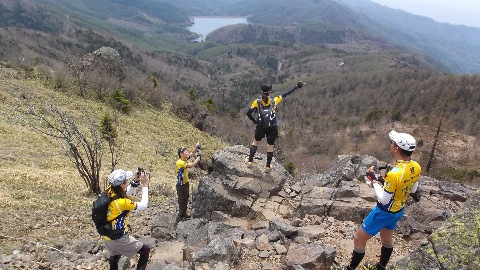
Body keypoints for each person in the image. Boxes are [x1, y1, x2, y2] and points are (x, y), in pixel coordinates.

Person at [346, 130, 421, 270]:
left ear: (396, 148)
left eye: (392, 143)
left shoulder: (395, 173)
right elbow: (412, 189)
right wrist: (381, 180)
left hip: (384, 211)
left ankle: (350, 268)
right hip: (398, 210)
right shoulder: (415, 167)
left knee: (358, 239)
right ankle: (381, 266)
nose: (390, 145)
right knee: (386, 239)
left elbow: (384, 200)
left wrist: (374, 181)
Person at [245, 81, 305, 172]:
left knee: (255, 143)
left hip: (261, 126)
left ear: (261, 92)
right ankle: (268, 166)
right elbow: (286, 93)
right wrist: (296, 87)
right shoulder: (274, 101)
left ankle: (250, 161)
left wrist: (255, 121)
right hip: (272, 127)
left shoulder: (256, 102)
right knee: (270, 146)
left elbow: (248, 113)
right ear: (270, 92)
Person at [104, 169, 150, 270]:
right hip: (119, 238)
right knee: (145, 250)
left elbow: (125, 191)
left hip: (107, 235)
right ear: (122, 184)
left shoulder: (109, 191)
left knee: (115, 256)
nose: (128, 181)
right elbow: (143, 205)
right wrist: (145, 185)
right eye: (126, 180)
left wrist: (136, 181)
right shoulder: (122, 203)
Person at [175, 143, 201, 219]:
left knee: (186, 198)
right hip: (181, 185)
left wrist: (196, 147)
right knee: (182, 200)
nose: (187, 153)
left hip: (185, 183)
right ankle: (181, 215)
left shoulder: (184, 159)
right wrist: (199, 157)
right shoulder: (180, 162)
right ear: (181, 154)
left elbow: (192, 153)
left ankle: (184, 213)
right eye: (185, 152)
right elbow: (192, 164)